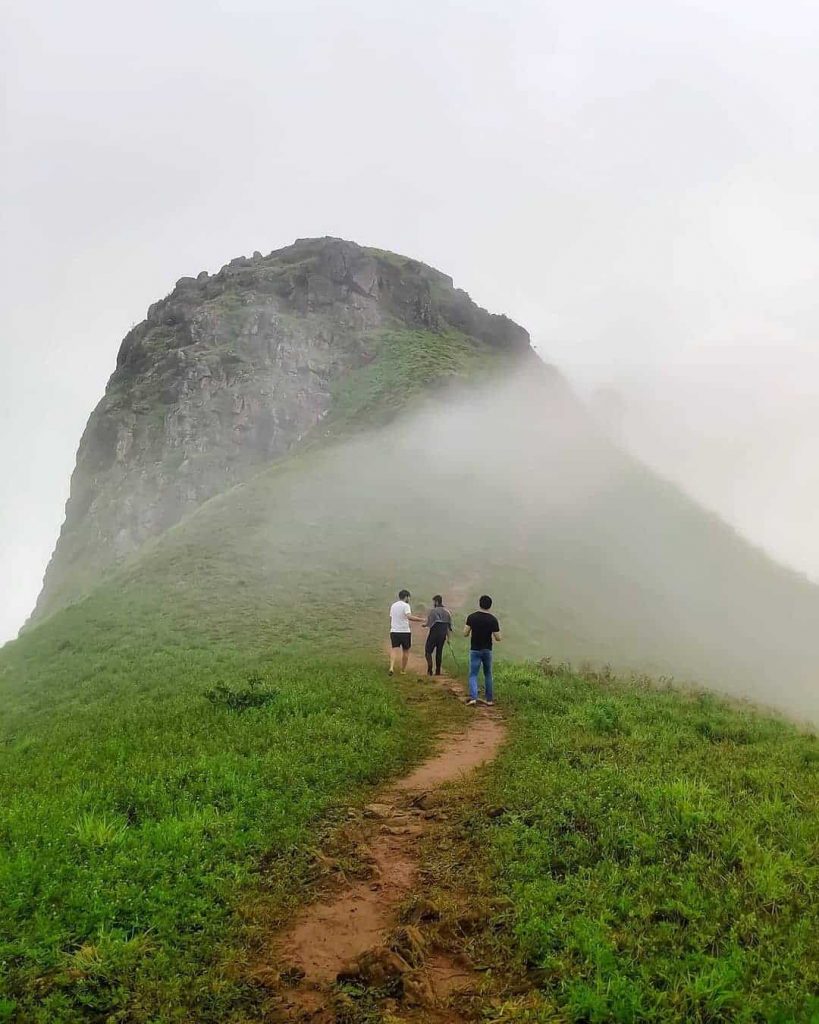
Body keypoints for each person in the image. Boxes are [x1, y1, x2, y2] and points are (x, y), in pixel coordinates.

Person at [463, 595, 501, 706]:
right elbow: (498, 638)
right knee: (488, 674)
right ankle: (489, 700)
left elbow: (465, 633)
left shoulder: (472, 617)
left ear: (479, 603)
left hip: (475, 649)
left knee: (473, 674)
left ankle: (474, 698)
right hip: (487, 650)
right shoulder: (493, 619)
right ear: (490, 605)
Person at [389, 589, 424, 675]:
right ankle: (403, 670)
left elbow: (392, 617)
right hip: (404, 631)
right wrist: (421, 619)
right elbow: (409, 616)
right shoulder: (406, 605)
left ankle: (391, 667)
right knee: (406, 651)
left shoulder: (393, 605)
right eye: (408, 597)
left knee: (394, 649)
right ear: (406, 597)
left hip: (394, 631)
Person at [423, 594, 452, 676]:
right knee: (439, 652)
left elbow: (429, 624)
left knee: (428, 651)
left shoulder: (433, 611)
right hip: (442, 635)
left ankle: (430, 668)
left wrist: (424, 625)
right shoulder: (447, 612)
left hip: (434, 634)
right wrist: (449, 638)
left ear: (436, 602)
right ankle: (438, 671)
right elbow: (448, 627)